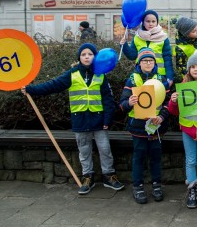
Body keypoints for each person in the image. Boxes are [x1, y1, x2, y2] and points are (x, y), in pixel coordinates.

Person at [21, 43, 124, 195]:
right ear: (79, 58)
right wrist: (31, 89)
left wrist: (107, 121)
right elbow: (53, 85)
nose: (87, 56)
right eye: (83, 54)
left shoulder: (101, 76)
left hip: (99, 122)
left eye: (90, 54)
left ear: (95, 57)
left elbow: (108, 100)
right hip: (80, 121)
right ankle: (88, 177)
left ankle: (109, 176)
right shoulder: (72, 74)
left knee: (105, 149)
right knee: (84, 151)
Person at [119, 48, 171, 204]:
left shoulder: (161, 79)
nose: (148, 63)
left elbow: (168, 103)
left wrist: (162, 117)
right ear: (138, 63)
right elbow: (121, 105)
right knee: (139, 157)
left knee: (156, 157)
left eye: (151, 61)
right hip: (138, 127)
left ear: (154, 63)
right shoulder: (132, 80)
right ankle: (138, 186)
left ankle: (156, 185)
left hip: (156, 127)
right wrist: (129, 103)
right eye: (144, 61)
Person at [169, 50, 197, 209]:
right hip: (188, 128)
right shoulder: (184, 84)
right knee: (190, 160)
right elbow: (174, 112)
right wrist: (174, 101)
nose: (196, 69)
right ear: (188, 69)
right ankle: (192, 189)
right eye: (192, 66)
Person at [121, 10, 175, 82]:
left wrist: (170, 77)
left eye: (153, 21)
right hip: (141, 75)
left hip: (159, 76)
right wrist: (124, 45)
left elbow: (168, 59)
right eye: (148, 21)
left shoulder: (163, 38)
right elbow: (132, 56)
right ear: (143, 22)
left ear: (157, 22)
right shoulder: (137, 37)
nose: (151, 24)